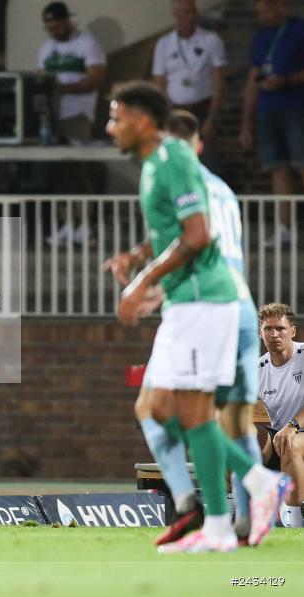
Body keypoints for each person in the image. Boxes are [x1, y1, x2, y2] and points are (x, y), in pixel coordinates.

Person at [104, 80, 291, 552]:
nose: (111, 127)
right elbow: (175, 232)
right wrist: (137, 258)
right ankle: (218, 516)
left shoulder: (176, 160)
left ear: (144, 120)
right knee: (156, 409)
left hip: (208, 303)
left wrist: (142, 282)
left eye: (117, 116)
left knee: (194, 414)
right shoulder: (154, 167)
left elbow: (199, 235)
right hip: (188, 306)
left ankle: (242, 501)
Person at [38, 1, 106, 245]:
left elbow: (96, 78)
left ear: (67, 21)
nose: (54, 32)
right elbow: (41, 81)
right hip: (53, 118)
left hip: (78, 115)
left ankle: (84, 224)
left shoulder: (87, 44)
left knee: (78, 170)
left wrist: (65, 88)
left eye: (58, 26)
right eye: (50, 28)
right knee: (59, 173)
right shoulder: (47, 48)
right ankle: (65, 223)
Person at [239, 0, 304, 247]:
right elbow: (252, 79)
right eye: (259, 12)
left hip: (296, 108)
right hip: (268, 110)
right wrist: (246, 121)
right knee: (277, 168)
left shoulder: (299, 29)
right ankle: (285, 228)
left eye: (267, 10)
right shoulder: (260, 37)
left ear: (280, 7)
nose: (263, 16)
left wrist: (287, 80)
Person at [151, 0, 226, 169]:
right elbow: (159, 82)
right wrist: (166, 114)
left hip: (203, 108)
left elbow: (219, 81)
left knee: (208, 159)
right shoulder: (164, 44)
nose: (191, 17)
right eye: (186, 12)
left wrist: (212, 118)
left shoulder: (210, 39)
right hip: (175, 110)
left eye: (193, 12)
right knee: (176, 160)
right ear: (176, 15)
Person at [257, 302, 304, 527]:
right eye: (268, 329)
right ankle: (233, 518)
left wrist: (293, 425)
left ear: (292, 331)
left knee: (289, 443)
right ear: (260, 333)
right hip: (278, 437)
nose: (274, 334)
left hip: (294, 435)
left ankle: (294, 524)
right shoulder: (257, 370)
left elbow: (288, 428)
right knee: (230, 452)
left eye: (281, 328)